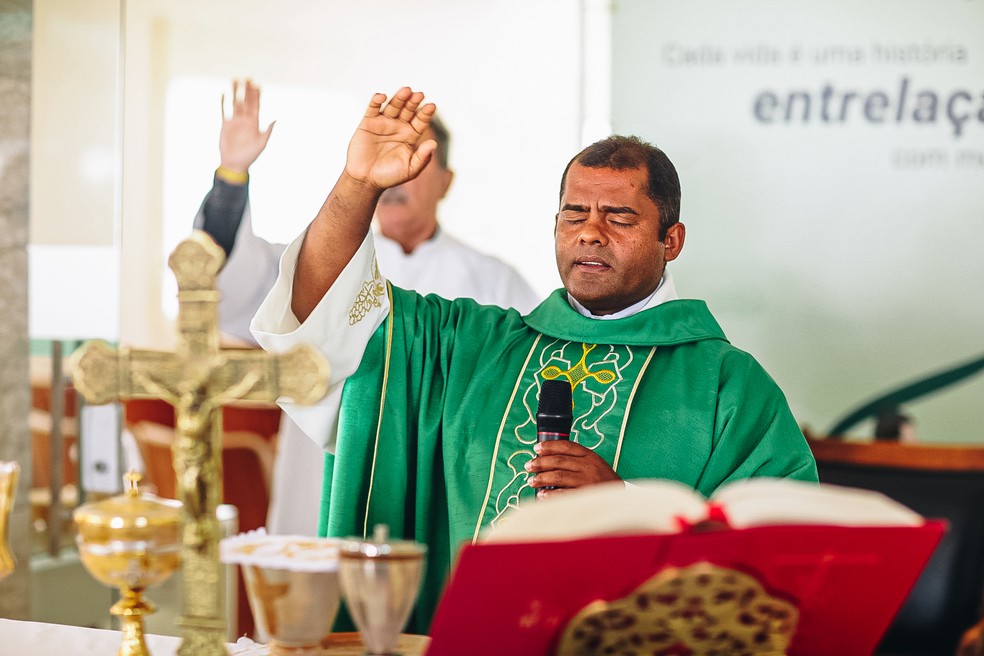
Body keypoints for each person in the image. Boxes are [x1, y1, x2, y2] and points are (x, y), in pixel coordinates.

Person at [251, 87, 818, 632]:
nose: (591, 233)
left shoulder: (729, 387)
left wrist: (627, 506)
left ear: (672, 240)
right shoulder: (471, 346)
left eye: (620, 218)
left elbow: (787, 553)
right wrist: (357, 186)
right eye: (574, 215)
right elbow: (328, 311)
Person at [194, 80, 539, 535]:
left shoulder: (493, 280)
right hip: (323, 481)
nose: (397, 176)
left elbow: (525, 387)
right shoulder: (317, 262)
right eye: (387, 152)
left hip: (434, 489)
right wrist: (231, 177)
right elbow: (229, 284)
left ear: (446, 181)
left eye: (414, 156)